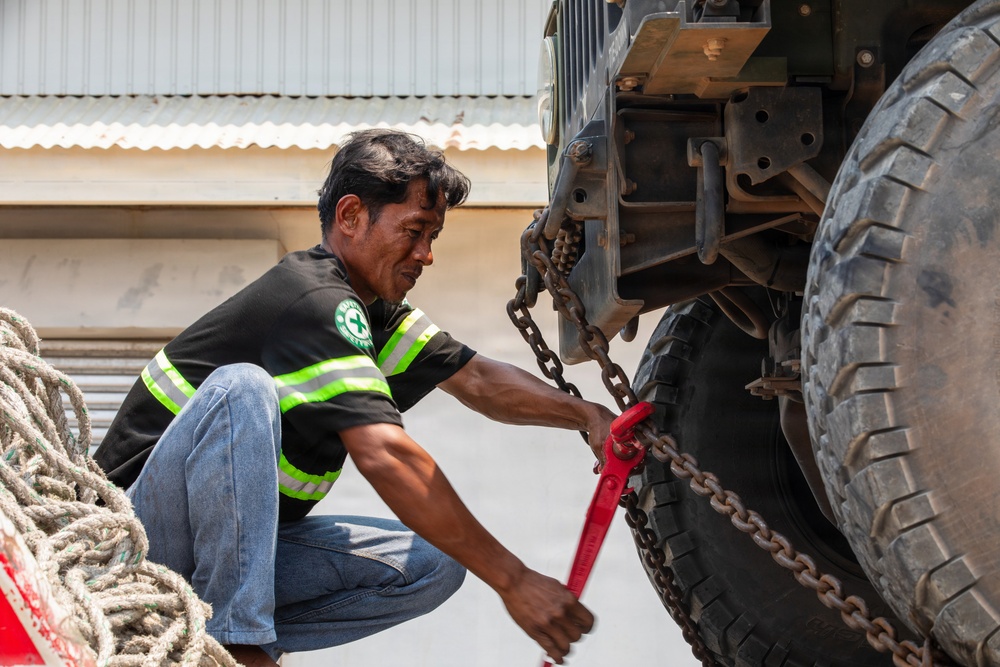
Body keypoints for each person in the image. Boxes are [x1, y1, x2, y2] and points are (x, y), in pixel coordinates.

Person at [94, 129, 615, 666]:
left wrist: (588, 415)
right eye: (414, 231)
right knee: (241, 389)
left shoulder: (370, 315)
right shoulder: (315, 301)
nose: (426, 255)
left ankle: (218, 631)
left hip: (211, 560)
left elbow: (478, 380)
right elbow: (385, 454)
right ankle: (238, 641)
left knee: (433, 566)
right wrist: (515, 580)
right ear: (350, 216)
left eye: (432, 236)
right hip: (135, 546)